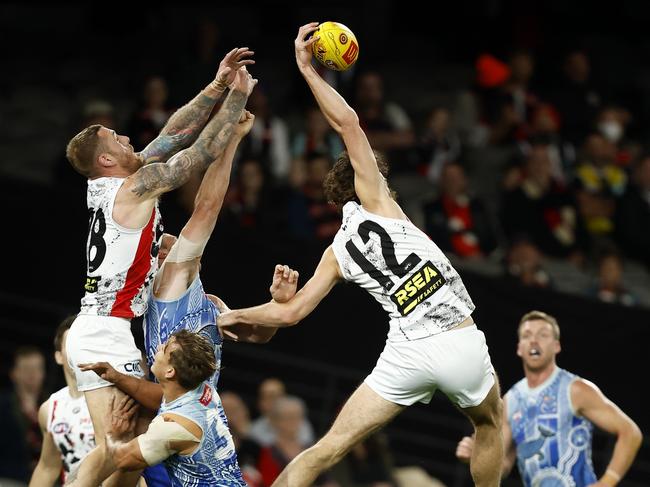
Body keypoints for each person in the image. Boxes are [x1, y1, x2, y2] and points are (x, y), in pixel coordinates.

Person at [217, 23, 503, 487]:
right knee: (490, 424)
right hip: (455, 337)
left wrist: (230, 316)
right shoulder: (379, 200)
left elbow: (289, 316)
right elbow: (347, 123)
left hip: (407, 352)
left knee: (328, 447)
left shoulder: (336, 252)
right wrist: (307, 69)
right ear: (367, 180)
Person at [64, 48, 257, 487]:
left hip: (90, 328)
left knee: (120, 449)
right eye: (118, 139)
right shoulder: (133, 188)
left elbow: (173, 136)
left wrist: (217, 84)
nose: (128, 140)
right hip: (106, 333)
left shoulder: (110, 186)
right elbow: (200, 152)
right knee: (124, 445)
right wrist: (238, 98)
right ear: (107, 160)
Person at [455, 310, 643, 486]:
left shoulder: (576, 389)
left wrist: (607, 482)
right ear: (519, 348)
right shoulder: (511, 400)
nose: (534, 341)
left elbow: (630, 433)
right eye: (527, 336)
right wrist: (476, 456)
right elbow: (503, 465)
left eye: (543, 335)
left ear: (556, 346)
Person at [68, 330, 245, 486]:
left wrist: (113, 436)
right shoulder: (205, 391)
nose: (159, 347)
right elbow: (157, 393)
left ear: (170, 372)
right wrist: (117, 377)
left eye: (165, 349)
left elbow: (123, 459)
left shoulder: (171, 426)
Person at [29, 316, 95, 486]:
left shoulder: (112, 399)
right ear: (58, 357)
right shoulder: (50, 408)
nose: (77, 350)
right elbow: (47, 468)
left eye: (82, 343)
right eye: (71, 344)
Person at [0, 346, 46, 485]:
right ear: (14, 373)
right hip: (8, 477)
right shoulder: (2, 406)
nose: (32, 374)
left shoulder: (55, 405)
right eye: (26, 369)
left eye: (37, 368)